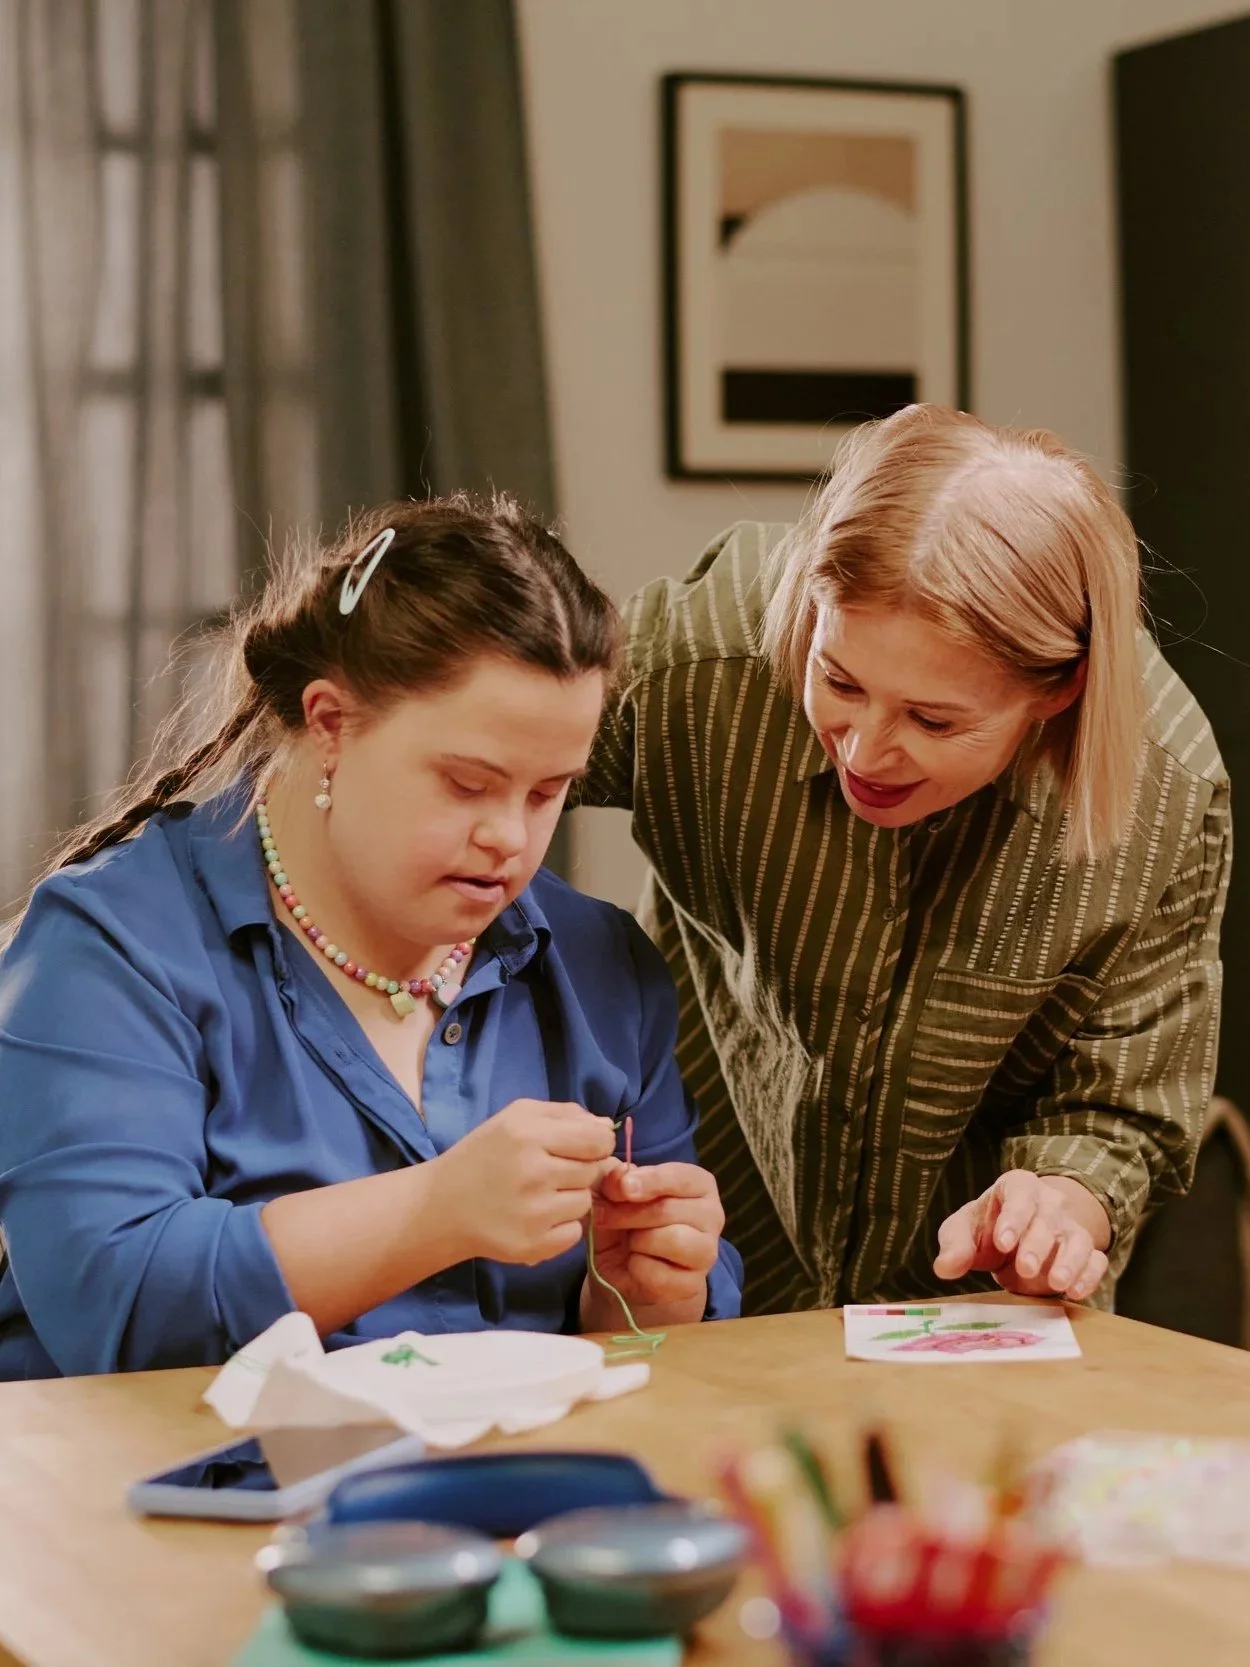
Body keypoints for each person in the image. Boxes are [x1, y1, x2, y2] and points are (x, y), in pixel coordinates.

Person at [0, 496, 740, 1380]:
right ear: (330, 723)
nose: (510, 835)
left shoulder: (601, 964)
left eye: (548, 793)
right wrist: (435, 1208)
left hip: (520, 1498)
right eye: (469, 783)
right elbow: (111, 1302)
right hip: (167, 1504)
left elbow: (653, 1344)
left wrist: (646, 1293)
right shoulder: (110, 946)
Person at [578, 404, 1230, 1315]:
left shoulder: (1167, 798)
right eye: (840, 681)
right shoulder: (705, 655)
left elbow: (1121, 1109)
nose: (865, 750)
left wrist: (1059, 1207)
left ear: (1057, 686)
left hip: (969, 1316)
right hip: (698, 1263)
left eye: (934, 720)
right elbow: (494, 757)